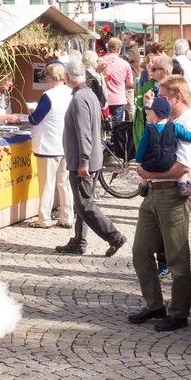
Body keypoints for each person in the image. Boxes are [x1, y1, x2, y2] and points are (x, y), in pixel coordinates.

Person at [130, 77, 191, 332]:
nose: (157, 99)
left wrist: (147, 173)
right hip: (153, 193)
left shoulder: (189, 124)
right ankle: (154, 305)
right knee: (141, 251)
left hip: (173, 195)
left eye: (162, 96)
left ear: (177, 98)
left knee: (177, 258)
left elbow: (182, 167)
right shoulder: (163, 121)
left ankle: (179, 313)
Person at [55, 59, 126, 258]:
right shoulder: (89, 94)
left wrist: (83, 161)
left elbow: (84, 132)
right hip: (92, 157)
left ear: (67, 77)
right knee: (82, 204)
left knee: (85, 204)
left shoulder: (80, 98)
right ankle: (79, 241)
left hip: (84, 161)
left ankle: (114, 237)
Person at [27, 62, 74, 229]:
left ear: (50, 78)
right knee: (64, 183)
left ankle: (44, 218)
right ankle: (67, 217)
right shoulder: (71, 93)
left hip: (48, 145)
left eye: (46, 77)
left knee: (47, 183)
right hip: (65, 144)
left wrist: (31, 113)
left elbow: (35, 119)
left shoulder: (48, 96)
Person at [97, 38, 133, 125]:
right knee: (116, 128)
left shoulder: (99, 62)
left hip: (102, 99)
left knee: (101, 127)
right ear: (118, 49)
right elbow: (130, 82)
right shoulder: (125, 64)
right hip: (118, 99)